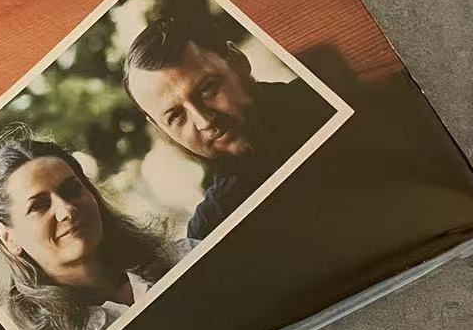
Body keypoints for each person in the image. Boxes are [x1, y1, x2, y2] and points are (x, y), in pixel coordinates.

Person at [0, 131, 182, 330]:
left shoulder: (181, 257)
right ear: (8, 237)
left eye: (72, 189)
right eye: (39, 205)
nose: (66, 210)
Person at [124, 14, 335, 242]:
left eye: (207, 88)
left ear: (238, 61)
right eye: (176, 115)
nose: (204, 121)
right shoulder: (212, 229)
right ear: (160, 129)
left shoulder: (331, 96)